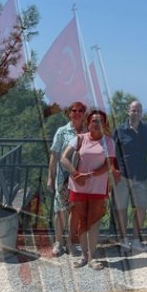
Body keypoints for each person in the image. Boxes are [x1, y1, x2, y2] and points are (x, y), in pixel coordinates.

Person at [61, 109, 118, 269]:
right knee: (81, 222)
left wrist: (90, 175)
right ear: (88, 123)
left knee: (93, 222)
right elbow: (64, 158)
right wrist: (76, 173)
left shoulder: (109, 142)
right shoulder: (79, 139)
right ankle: (84, 257)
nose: (97, 124)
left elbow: (109, 164)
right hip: (78, 187)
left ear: (104, 124)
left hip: (97, 188)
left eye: (100, 121)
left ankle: (92, 257)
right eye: (94, 121)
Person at [48, 101, 88, 256]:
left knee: (74, 211)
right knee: (60, 210)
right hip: (63, 178)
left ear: (84, 113)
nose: (77, 113)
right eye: (74, 110)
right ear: (69, 113)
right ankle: (58, 242)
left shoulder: (88, 131)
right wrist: (50, 178)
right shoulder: (62, 132)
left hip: (81, 180)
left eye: (80, 110)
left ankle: (70, 242)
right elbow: (54, 155)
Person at [112, 101, 147, 255]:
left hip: (140, 175)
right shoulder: (120, 130)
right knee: (121, 209)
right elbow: (112, 152)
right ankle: (123, 240)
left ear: (142, 113)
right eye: (133, 110)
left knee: (141, 208)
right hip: (122, 176)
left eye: (139, 110)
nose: (136, 113)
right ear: (128, 112)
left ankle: (136, 239)